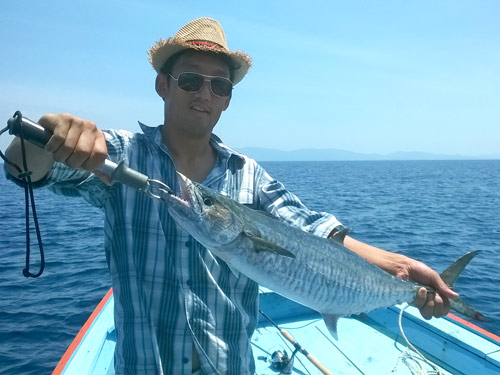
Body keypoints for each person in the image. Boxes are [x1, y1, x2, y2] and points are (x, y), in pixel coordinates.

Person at [4, 17, 458, 375]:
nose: (205, 93)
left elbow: (313, 232)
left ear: (227, 101)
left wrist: (401, 267)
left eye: (219, 86)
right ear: (163, 85)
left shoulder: (249, 175)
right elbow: (27, 169)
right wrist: (48, 137)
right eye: (189, 81)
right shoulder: (121, 155)